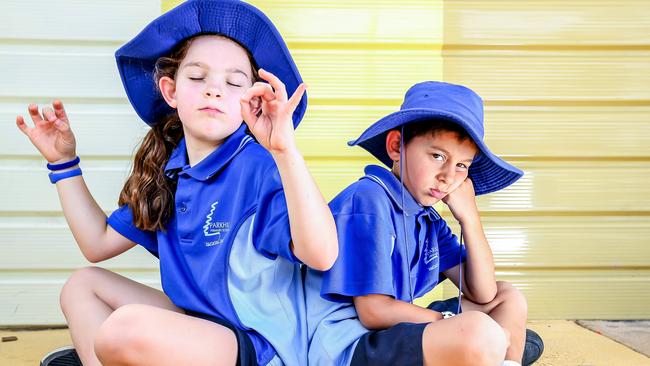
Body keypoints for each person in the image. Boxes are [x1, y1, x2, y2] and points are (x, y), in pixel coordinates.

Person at [16, 1, 338, 365]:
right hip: (193, 328)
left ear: (254, 101)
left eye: (234, 82)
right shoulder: (170, 170)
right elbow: (97, 243)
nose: (214, 90)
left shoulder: (261, 164)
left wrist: (286, 152)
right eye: (197, 78)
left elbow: (322, 254)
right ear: (170, 91)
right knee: (82, 286)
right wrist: (63, 163)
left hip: (254, 347)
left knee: (123, 329)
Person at [305, 81, 544, 366]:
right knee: (481, 332)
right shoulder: (369, 200)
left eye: (461, 165)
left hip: (393, 332)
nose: (447, 176)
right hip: (349, 344)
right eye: (437, 156)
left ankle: (497, 356)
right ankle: (489, 350)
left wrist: (470, 217)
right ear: (396, 146)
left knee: (508, 299)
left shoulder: (426, 217)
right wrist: (447, 321)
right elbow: (374, 312)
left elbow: (483, 292)